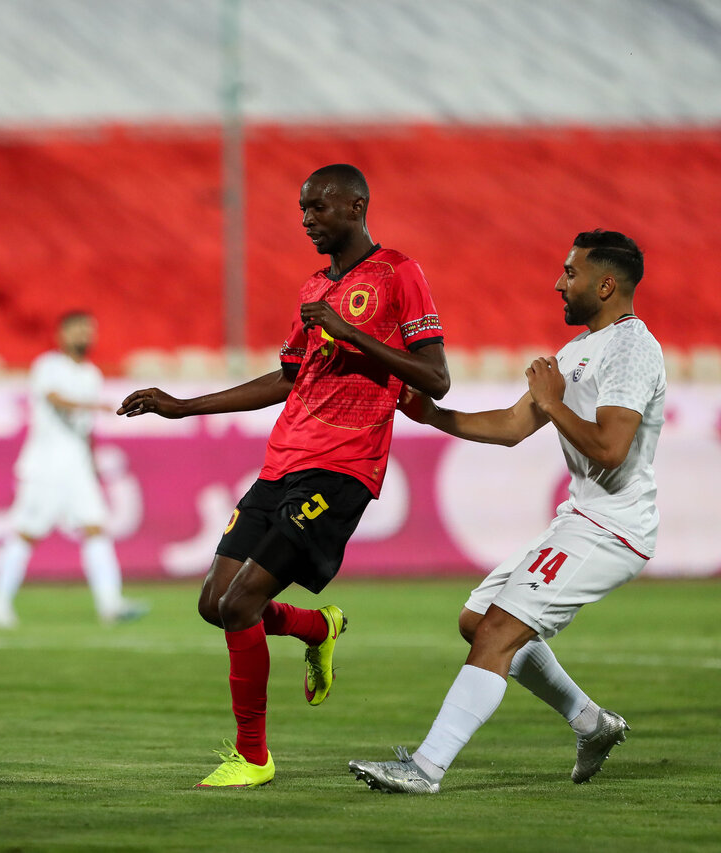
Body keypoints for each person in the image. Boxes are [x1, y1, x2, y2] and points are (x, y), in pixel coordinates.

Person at [119, 164, 450, 787]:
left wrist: (352, 335)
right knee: (215, 604)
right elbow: (285, 379)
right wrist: (183, 405)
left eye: (318, 207)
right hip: (283, 462)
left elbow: (435, 377)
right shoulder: (312, 289)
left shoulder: (400, 273)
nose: (306, 220)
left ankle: (253, 758)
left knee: (243, 601)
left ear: (355, 207)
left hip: (343, 467)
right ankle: (316, 626)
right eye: (302, 209)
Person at [349, 230, 663, 793]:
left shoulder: (633, 349)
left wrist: (552, 402)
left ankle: (425, 768)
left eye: (571, 273)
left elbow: (610, 448)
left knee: (497, 630)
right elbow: (513, 426)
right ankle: (591, 722)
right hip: (582, 517)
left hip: (614, 526)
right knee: (477, 621)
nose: (559, 283)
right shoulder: (577, 351)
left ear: (607, 283)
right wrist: (431, 414)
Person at [0, 310, 147, 628]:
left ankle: (110, 604)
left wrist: (92, 464)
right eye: (78, 330)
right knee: (26, 533)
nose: (85, 336)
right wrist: (92, 406)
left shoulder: (92, 374)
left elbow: (85, 430)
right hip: (45, 467)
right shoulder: (48, 365)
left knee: (96, 528)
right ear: (63, 335)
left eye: (90, 330)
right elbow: (54, 398)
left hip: (77, 470)